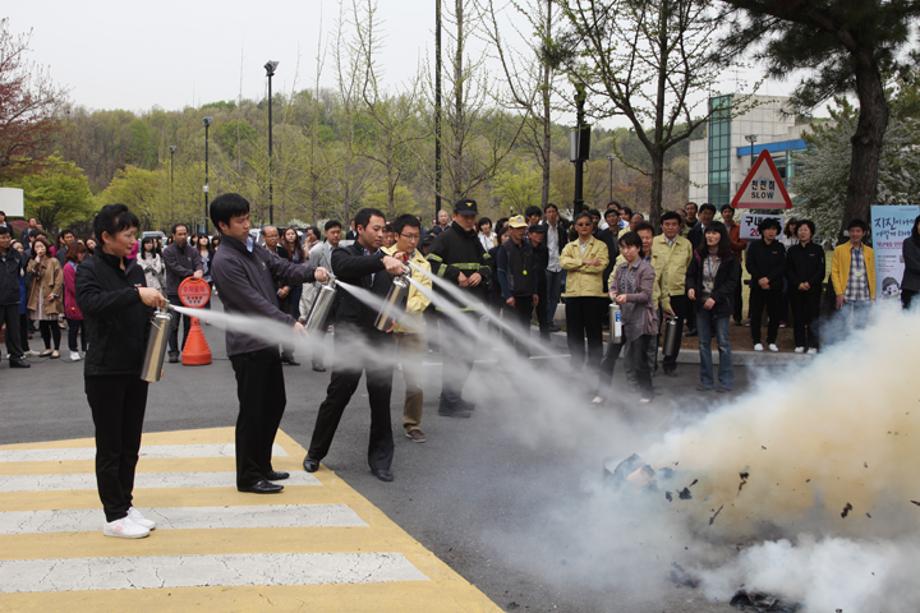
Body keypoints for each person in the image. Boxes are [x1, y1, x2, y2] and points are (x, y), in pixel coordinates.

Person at [209, 193, 329, 494]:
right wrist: (288, 321)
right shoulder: (225, 260)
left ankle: (262, 464)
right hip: (247, 346)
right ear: (223, 226)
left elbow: (281, 268)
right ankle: (248, 476)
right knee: (253, 410)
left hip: (267, 344)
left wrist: (310, 273)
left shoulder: (253, 249)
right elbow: (252, 303)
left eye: (248, 218)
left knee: (274, 403)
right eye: (240, 221)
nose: (247, 225)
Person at [76, 203, 168, 538]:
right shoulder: (88, 269)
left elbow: (143, 320)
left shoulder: (134, 270)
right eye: (127, 235)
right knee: (110, 445)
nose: (133, 241)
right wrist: (134, 294)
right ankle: (113, 515)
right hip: (105, 372)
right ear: (105, 237)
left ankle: (126, 505)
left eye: (134, 234)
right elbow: (92, 305)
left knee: (131, 443)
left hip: (134, 370)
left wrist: (153, 357)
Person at [303, 208, 407, 482]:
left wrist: (396, 315)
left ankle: (381, 461)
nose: (381, 234)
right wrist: (383, 261)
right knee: (337, 396)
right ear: (359, 229)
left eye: (384, 229)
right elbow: (348, 270)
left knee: (381, 401)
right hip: (350, 338)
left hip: (380, 340)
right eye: (375, 228)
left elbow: (400, 293)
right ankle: (315, 453)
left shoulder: (390, 260)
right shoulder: (344, 254)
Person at [427, 198, 493, 418]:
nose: (469, 220)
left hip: (471, 307)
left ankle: (454, 396)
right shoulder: (445, 238)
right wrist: (456, 274)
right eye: (465, 216)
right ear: (454, 216)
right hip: (451, 310)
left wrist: (480, 273)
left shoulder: (473, 238)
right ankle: (448, 403)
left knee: (468, 356)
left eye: (472, 216)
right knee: (455, 356)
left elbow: (488, 262)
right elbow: (431, 264)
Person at [383, 214, 432, 443]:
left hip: (412, 329)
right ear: (397, 235)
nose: (413, 241)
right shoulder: (384, 257)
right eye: (408, 236)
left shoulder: (424, 264)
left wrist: (403, 312)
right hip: (386, 328)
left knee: (415, 380)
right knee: (381, 378)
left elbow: (424, 297)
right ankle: (380, 424)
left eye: (416, 236)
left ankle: (412, 423)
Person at [598, 231, 657, 404]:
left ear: (638, 248)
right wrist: (613, 293)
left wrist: (627, 297)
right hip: (619, 317)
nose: (626, 251)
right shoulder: (621, 267)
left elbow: (646, 295)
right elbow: (614, 285)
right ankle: (602, 391)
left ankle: (647, 393)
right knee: (609, 356)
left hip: (640, 320)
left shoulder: (646, 269)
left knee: (639, 360)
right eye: (623, 248)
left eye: (630, 247)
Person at [686, 222, 741, 392]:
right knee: (703, 343)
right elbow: (690, 275)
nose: (710, 236)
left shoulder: (730, 257)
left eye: (715, 233)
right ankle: (706, 381)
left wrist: (715, 298)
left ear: (721, 236)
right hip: (701, 304)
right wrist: (691, 288)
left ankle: (725, 381)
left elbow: (732, 283)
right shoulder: (698, 254)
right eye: (708, 233)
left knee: (723, 344)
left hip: (721, 306)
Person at [561, 211, 609, 377]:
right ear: (575, 227)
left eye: (587, 224)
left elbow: (600, 266)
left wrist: (577, 266)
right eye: (580, 224)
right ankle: (576, 362)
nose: (584, 227)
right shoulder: (569, 246)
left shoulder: (600, 246)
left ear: (592, 226)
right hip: (573, 294)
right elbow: (564, 263)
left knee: (593, 330)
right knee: (574, 332)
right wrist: (585, 261)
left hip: (592, 295)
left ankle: (595, 363)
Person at [651, 211, 693, 376]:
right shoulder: (654, 242)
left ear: (679, 226)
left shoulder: (686, 244)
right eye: (667, 224)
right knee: (653, 328)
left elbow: (689, 265)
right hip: (655, 292)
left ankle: (670, 363)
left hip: (677, 292)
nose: (670, 227)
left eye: (674, 224)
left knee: (674, 329)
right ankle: (651, 362)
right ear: (661, 226)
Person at [301, 220, 343, 372]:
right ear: (326, 233)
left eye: (339, 232)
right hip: (323, 293)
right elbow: (311, 270)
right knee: (321, 327)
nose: (336, 235)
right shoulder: (318, 250)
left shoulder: (344, 250)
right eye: (333, 232)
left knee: (340, 327)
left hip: (340, 294)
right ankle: (317, 358)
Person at [162, 223, 203, 363]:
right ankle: (173, 351)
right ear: (173, 235)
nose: (183, 236)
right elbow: (175, 268)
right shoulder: (168, 251)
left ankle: (186, 348)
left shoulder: (192, 250)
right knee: (173, 324)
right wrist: (192, 274)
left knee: (188, 323)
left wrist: (199, 270)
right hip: (174, 292)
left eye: (185, 233)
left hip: (191, 293)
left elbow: (199, 262)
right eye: (179, 234)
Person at [496, 215, 538, 352]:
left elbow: (532, 270)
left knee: (525, 329)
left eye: (523, 228)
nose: (521, 231)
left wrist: (534, 291)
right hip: (512, 296)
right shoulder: (504, 249)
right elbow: (501, 273)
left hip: (526, 294)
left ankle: (523, 358)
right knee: (509, 330)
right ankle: (509, 361)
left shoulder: (528, 247)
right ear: (510, 230)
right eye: (518, 228)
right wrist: (507, 294)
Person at [785, 219, 825, 353]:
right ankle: (799, 343)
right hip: (796, 289)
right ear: (796, 233)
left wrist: (809, 283)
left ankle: (813, 344)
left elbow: (821, 270)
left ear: (811, 233)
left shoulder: (818, 250)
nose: (803, 233)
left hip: (813, 289)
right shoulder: (792, 251)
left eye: (805, 230)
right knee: (798, 316)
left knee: (813, 316)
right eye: (800, 230)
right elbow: (788, 270)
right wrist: (798, 283)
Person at [746, 218, 786, 351]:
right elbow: (750, 264)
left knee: (774, 314)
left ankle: (771, 340)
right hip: (758, 285)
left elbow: (781, 266)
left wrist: (768, 279)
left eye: (774, 229)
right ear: (762, 231)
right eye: (768, 229)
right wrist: (760, 279)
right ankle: (756, 340)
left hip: (774, 286)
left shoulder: (779, 247)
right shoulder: (754, 246)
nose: (771, 232)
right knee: (756, 314)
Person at [830, 218, 875, 329]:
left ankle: (858, 346)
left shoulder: (870, 251)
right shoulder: (839, 250)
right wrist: (839, 293)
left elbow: (872, 274)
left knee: (861, 325)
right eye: (853, 231)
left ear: (863, 233)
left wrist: (873, 295)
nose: (855, 234)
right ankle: (844, 346)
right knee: (843, 325)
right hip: (846, 295)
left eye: (858, 231)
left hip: (864, 295)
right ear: (849, 232)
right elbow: (835, 273)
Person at [26, 235, 63, 359]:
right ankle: (47, 347)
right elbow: (29, 273)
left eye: (41, 246)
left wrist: (55, 292)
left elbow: (59, 278)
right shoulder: (33, 262)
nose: (39, 249)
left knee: (53, 322)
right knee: (42, 323)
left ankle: (56, 348)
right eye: (36, 247)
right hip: (37, 296)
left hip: (49, 294)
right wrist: (36, 261)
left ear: (46, 247)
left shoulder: (53, 261)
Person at [0, 226, 30, 368]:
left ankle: (16, 357)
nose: (5, 240)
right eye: (2, 237)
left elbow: (19, 274)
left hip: (13, 297)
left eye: (7, 237)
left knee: (14, 330)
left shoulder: (16, 255)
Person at [277, 226, 305, 365]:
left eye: (292, 234)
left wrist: (291, 286)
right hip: (282, 286)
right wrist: (284, 287)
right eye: (288, 234)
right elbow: (282, 270)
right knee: (282, 318)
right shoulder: (281, 250)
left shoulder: (300, 250)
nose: (290, 236)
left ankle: (288, 352)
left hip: (295, 287)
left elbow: (300, 270)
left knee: (293, 317)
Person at [541, 204, 566, 332]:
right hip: (546, 266)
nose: (551, 214)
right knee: (545, 294)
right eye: (549, 212)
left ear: (557, 214)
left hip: (558, 265)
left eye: (553, 212)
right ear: (545, 214)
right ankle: (544, 320)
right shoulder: (542, 229)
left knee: (555, 295)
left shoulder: (561, 229)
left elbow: (564, 246)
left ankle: (549, 320)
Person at [63, 242, 89, 361]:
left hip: (84, 300)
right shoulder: (68, 267)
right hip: (74, 301)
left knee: (85, 327)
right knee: (74, 327)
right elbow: (71, 285)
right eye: (80, 253)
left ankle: (85, 348)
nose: (82, 255)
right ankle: (73, 350)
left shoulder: (82, 265)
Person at [721, 205, 747, 324]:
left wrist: (729, 242)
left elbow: (742, 245)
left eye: (729, 212)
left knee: (737, 289)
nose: (727, 214)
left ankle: (737, 317)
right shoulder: (719, 227)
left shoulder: (739, 228)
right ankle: (722, 313)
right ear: (722, 214)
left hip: (735, 262)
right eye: (725, 212)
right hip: (721, 262)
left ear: (732, 213)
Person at [527, 224, 550, 338]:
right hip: (528, 283)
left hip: (541, 281)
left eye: (541, 233)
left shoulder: (544, 249)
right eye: (536, 233)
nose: (539, 236)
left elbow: (545, 264)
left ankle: (545, 338)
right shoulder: (525, 248)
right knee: (527, 312)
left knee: (543, 311)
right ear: (530, 235)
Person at [901, 214, 920, 310]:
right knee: (908, 318)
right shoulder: (908, 242)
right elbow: (911, 263)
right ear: (916, 226)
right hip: (911, 288)